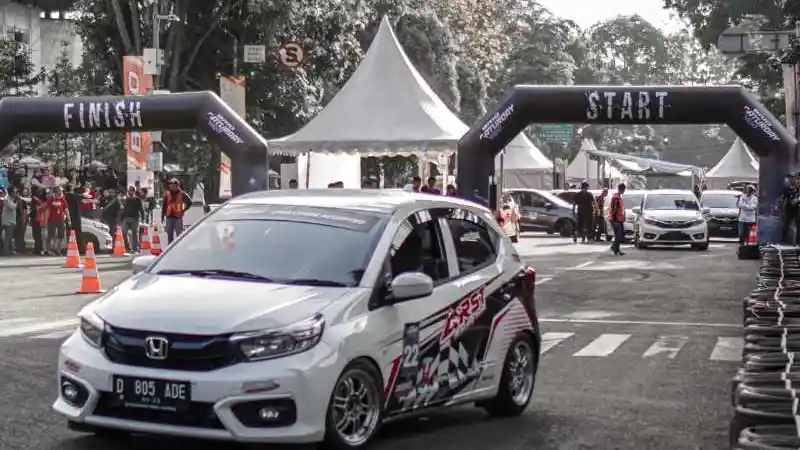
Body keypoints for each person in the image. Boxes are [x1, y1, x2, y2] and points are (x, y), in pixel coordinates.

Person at [161, 179, 192, 244]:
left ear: (177, 186)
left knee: (179, 235)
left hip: (178, 217)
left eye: (173, 185)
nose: (171, 186)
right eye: (171, 185)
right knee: (169, 235)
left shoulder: (182, 194)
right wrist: (162, 216)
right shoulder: (167, 194)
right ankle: (170, 247)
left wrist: (183, 209)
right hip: (169, 217)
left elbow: (190, 202)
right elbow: (164, 206)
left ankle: (179, 247)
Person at [46, 186, 70, 256]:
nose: (61, 192)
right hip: (52, 220)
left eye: (61, 191)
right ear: (56, 192)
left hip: (61, 220)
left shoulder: (62, 199)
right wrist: (46, 221)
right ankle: (49, 250)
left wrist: (69, 219)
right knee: (50, 236)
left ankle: (58, 250)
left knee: (61, 236)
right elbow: (47, 210)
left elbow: (66, 210)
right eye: (60, 191)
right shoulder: (51, 199)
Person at [121, 186, 146, 253]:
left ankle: (135, 249)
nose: (129, 192)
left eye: (131, 190)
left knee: (135, 234)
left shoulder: (137, 199)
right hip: (126, 218)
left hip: (135, 218)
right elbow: (124, 209)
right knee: (124, 233)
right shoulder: (126, 199)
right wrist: (122, 218)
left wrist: (143, 218)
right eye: (129, 191)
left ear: (133, 191)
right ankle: (128, 248)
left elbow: (141, 209)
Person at [608, 183, 626, 256]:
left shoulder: (618, 197)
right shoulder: (616, 198)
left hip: (619, 219)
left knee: (619, 235)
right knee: (619, 235)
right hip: (616, 219)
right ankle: (614, 247)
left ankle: (617, 250)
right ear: (622, 189)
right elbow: (614, 210)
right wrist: (615, 220)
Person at [64, 184, 84, 253]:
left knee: (70, 233)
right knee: (77, 233)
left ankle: (72, 247)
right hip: (75, 217)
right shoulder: (76, 196)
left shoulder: (65, 196)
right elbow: (85, 199)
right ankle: (79, 248)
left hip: (70, 217)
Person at [1, 188, 17, 255]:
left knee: (10, 237)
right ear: (11, 192)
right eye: (14, 192)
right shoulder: (7, 199)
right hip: (7, 221)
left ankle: (9, 251)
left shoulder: (11, 198)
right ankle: (6, 252)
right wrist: (17, 203)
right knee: (8, 237)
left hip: (11, 220)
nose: (16, 193)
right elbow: (11, 207)